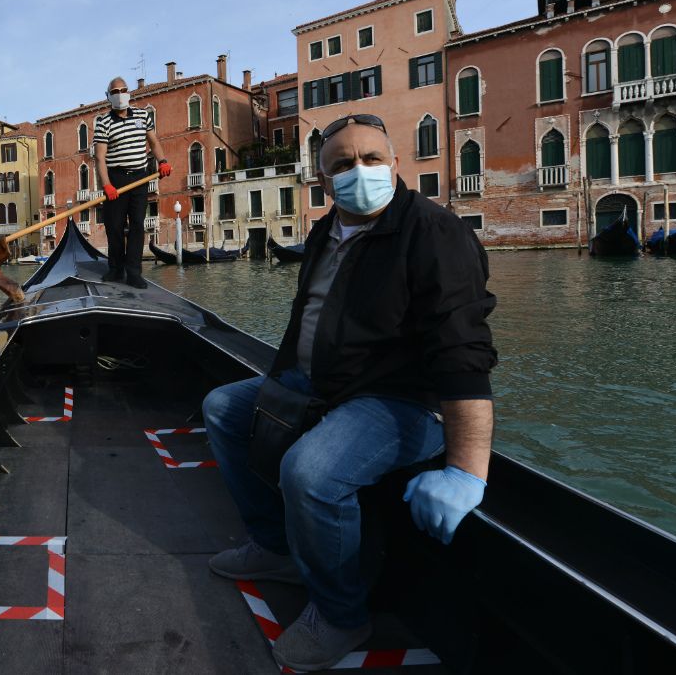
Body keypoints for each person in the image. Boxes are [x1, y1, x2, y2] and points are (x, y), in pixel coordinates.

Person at [201, 114, 497, 672]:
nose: (358, 171)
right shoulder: (326, 229)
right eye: (342, 164)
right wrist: (282, 383)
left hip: (403, 399)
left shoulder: (434, 231)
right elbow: (308, 318)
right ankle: (275, 546)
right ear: (323, 181)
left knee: (310, 473)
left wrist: (466, 469)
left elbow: (463, 349)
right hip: (322, 385)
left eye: (370, 159)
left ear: (395, 165)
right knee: (223, 408)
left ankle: (340, 613)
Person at [93, 76, 171, 289]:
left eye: (123, 90)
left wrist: (162, 161)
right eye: (115, 91)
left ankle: (134, 272)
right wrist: (107, 184)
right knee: (115, 227)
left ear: (129, 93)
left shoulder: (142, 115)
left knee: (137, 225)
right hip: (116, 178)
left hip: (140, 177)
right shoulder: (103, 122)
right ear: (109, 96)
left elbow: (153, 142)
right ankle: (116, 269)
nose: (120, 94)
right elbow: (100, 157)